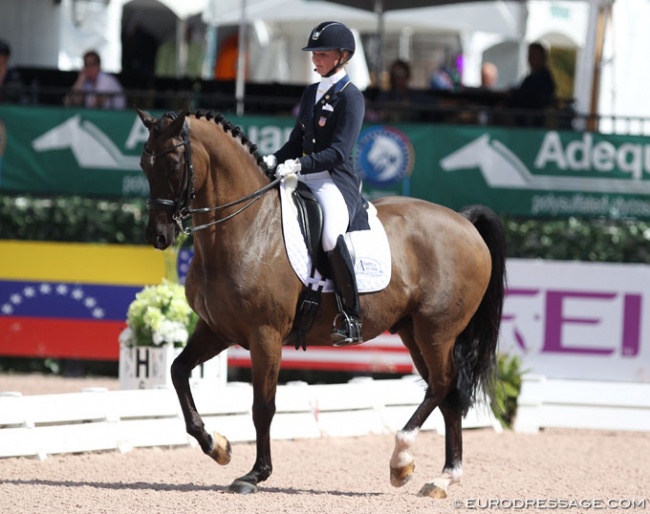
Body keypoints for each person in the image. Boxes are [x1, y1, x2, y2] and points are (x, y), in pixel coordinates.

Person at [263, 21, 367, 346]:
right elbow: (297, 141)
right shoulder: (311, 92)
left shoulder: (352, 98)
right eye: (314, 53)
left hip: (333, 181)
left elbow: (338, 151)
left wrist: (300, 164)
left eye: (322, 54)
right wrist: (273, 159)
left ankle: (351, 315)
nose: (315, 59)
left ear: (343, 56)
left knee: (330, 235)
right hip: (302, 173)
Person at [508, 42, 556, 126]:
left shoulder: (544, 79)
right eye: (529, 55)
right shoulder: (532, 77)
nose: (530, 59)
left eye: (533, 55)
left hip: (531, 123)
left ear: (543, 57)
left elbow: (530, 97)